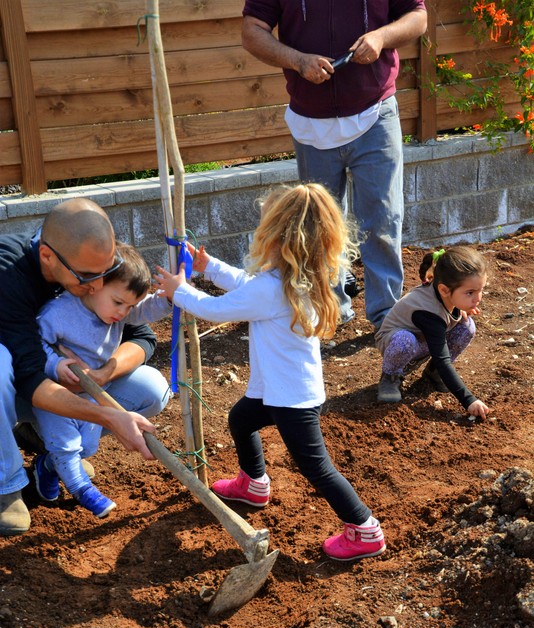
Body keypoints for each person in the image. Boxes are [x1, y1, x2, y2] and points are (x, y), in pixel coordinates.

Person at [155, 183, 386, 562]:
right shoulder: (298, 277)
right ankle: (254, 485)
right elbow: (249, 288)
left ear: (277, 235)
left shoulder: (273, 287)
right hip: (278, 388)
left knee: (316, 467)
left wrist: (178, 291)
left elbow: (218, 310)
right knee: (241, 419)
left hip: (291, 399)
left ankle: (364, 530)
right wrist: (209, 267)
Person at [241, 0, 427, 331]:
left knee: (383, 218)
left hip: (375, 111)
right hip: (311, 121)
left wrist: (382, 36)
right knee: (318, 226)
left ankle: (386, 317)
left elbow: (417, 17)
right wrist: (298, 61)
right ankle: (331, 312)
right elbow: (252, 31)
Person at [0, 198, 170, 535]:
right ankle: (6, 483)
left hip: (60, 384)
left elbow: (143, 337)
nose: (97, 286)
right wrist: (111, 416)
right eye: (88, 278)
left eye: (105, 274)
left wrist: (105, 372)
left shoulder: (90, 262)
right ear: (47, 256)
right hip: (18, 383)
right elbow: (32, 376)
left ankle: (42, 442)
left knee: (152, 388)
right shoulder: (9, 274)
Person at [32, 243, 172, 517]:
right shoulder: (58, 313)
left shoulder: (116, 310)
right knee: (67, 445)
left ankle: (47, 466)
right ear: (93, 285)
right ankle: (83, 490)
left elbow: (145, 310)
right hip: (55, 394)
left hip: (95, 391)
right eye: (119, 303)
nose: (122, 313)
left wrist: (169, 299)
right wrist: (56, 364)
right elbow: (34, 345)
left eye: (128, 306)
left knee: (88, 446)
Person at [375, 245, 490, 419]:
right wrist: (469, 400)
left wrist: (461, 307)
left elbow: (450, 313)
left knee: (467, 326)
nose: (478, 298)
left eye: (481, 290)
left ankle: (433, 374)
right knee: (404, 341)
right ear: (445, 290)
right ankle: (391, 376)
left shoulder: (446, 294)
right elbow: (442, 359)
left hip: (424, 339)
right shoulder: (428, 313)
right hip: (397, 342)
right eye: (470, 292)